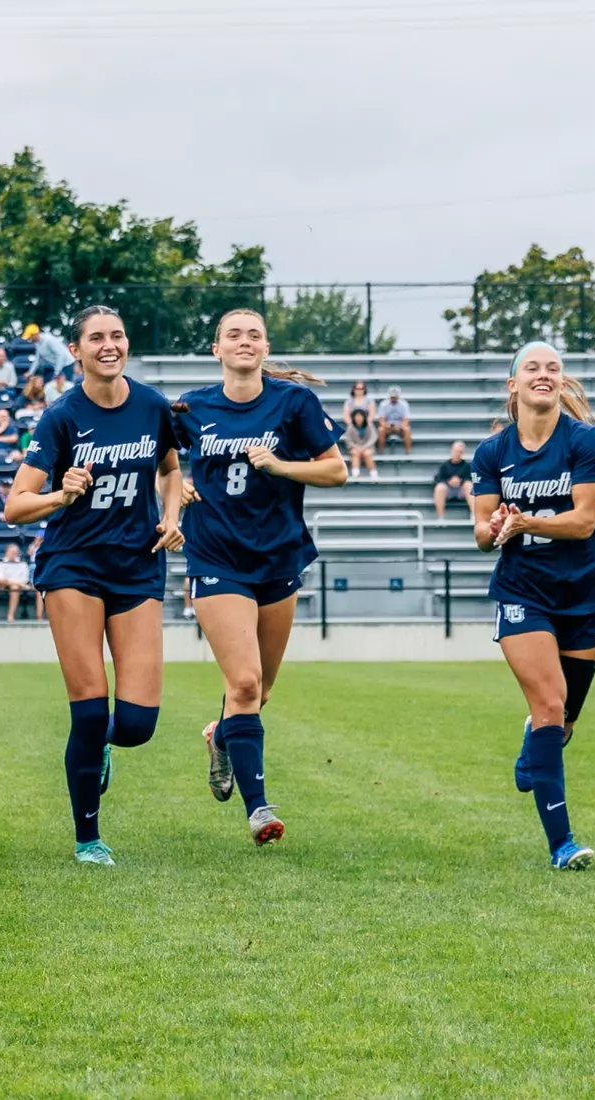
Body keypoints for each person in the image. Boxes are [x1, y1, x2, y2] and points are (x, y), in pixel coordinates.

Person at [4, 305, 183, 866]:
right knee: (88, 711)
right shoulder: (60, 418)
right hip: (74, 567)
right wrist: (61, 494)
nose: (110, 345)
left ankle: (103, 747)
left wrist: (173, 515)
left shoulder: (153, 406)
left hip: (136, 567)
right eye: (97, 338)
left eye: (118, 336)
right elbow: (15, 506)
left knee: (135, 725)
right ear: (77, 351)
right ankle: (88, 837)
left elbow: (171, 470)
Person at [172, 308, 345, 847]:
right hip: (215, 558)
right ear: (216, 349)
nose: (244, 341)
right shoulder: (190, 408)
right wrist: (176, 489)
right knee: (243, 683)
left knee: (260, 691)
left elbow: (336, 470)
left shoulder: (294, 403)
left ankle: (220, 735)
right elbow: (163, 465)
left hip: (277, 558)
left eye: (253, 334)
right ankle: (258, 809)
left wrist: (280, 466)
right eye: (233, 334)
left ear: (265, 347)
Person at [471, 341, 595, 871]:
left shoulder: (584, 441)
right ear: (513, 385)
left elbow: (582, 522)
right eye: (532, 367)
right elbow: (482, 535)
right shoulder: (491, 454)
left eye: (553, 367)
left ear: (561, 382)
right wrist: (494, 528)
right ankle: (562, 844)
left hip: (583, 592)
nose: (544, 373)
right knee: (550, 705)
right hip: (523, 592)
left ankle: (535, 744)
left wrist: (527, 521)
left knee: (565, 720)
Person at [0, 543, 35, 622]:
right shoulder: (0, 563)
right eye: (11, 552)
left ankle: (10, 615)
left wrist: (11, 582)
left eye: (15, 553)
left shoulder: (22, 564)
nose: (13, 554)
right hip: (2, 586)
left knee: (14, 588)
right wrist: (13, 582)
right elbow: (1, 579)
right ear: (7, 552)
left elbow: (25, 579)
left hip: (17, 586)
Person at [433, 440, 473, 518]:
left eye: (460, 452)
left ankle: (474, 514)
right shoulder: (445, 465)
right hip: (448, 490)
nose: (458, 453)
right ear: (452, 451)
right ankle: (441, 518)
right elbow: (437, 479)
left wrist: (460, 481)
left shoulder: (467, 466)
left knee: (469, 485)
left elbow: (471, 479)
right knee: (439, 488)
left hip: (462, 491)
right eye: (457, 451)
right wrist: (449, 482)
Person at [341, 407, 378, 480]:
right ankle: (355, 474)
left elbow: (373, 437)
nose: (358, 418)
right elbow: (348, 440)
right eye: (356, 416)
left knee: (367, 454)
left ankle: (373, 474)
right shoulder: (350, 427)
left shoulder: (369, 425)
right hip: (355, 447)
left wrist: (365, 447)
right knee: (355, 453)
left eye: (360, 416)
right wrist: (356, 447)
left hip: (368, 447)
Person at [378, 386, 412, 452]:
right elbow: (381, 420)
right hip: (387, 427)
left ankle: (408, 452)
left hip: (400, 427)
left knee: (407, 429)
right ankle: (381, 452)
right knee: (380, 430)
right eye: (392, 397)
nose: (394, 398)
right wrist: (386, 426)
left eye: (395, 396)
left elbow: (406, 419)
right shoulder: (383, 404)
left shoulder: (404, 404)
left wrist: (400, 426)